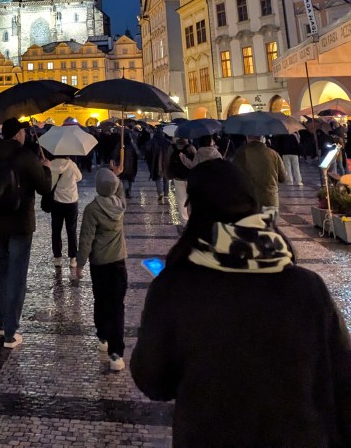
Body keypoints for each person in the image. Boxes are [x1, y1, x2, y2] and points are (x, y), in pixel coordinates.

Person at [130, 160, 351, 447]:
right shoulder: (306, 287)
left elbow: (153, 381)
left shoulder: (174, 287)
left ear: (194, 210)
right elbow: (342, 379)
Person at [0, 118, 52, 349]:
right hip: (21, 223)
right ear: (18, 134)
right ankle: (10, 331)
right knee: (17, 275)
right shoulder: (25, 156)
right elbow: (44, 188)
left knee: (2, 270)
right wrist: (45, 169)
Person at [75, 165, 128, 372]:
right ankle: (116, 354)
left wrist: (80, 263)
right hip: (118, 262)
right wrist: (117, 177)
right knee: (117, 306)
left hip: (99, 264)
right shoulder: (120, 205)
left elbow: (86, 238)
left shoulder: (92, 209)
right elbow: (119, 190)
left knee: (101, 300)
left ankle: (103, 336)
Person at [46, 152, 82, 270]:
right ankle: (73, 258)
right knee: (71, 230)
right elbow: (79, 177)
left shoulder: (51, 164)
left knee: (56, 230)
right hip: (71, 201)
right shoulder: (72, 165)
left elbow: (49, 182)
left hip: (57, 201)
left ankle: (57, 258)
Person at [234, 135, 287, 212]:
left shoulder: (241, 153)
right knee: (270, 223)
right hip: (271, 200)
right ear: (261, 138)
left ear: (247, 137)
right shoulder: (274, 154)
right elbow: (283, 178)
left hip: (250, 201)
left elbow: (235, 176)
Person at [167, 138, 195, 226]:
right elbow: (195, 163)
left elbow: (167, 161)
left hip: (177, 178)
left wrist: (167, 173)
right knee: (192, 199)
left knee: (181, 200)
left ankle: (184, 221)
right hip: (190, 177)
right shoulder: (191, 147)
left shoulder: (172, 147)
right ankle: (192, 219)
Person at [145, 128, 172, 203]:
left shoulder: (152, 142)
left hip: (156, 162)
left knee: (157, 179)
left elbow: (147, 149)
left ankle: (160, 193)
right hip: (166, 163)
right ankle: (166, 194)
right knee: (166, 179)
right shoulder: (167, 142)